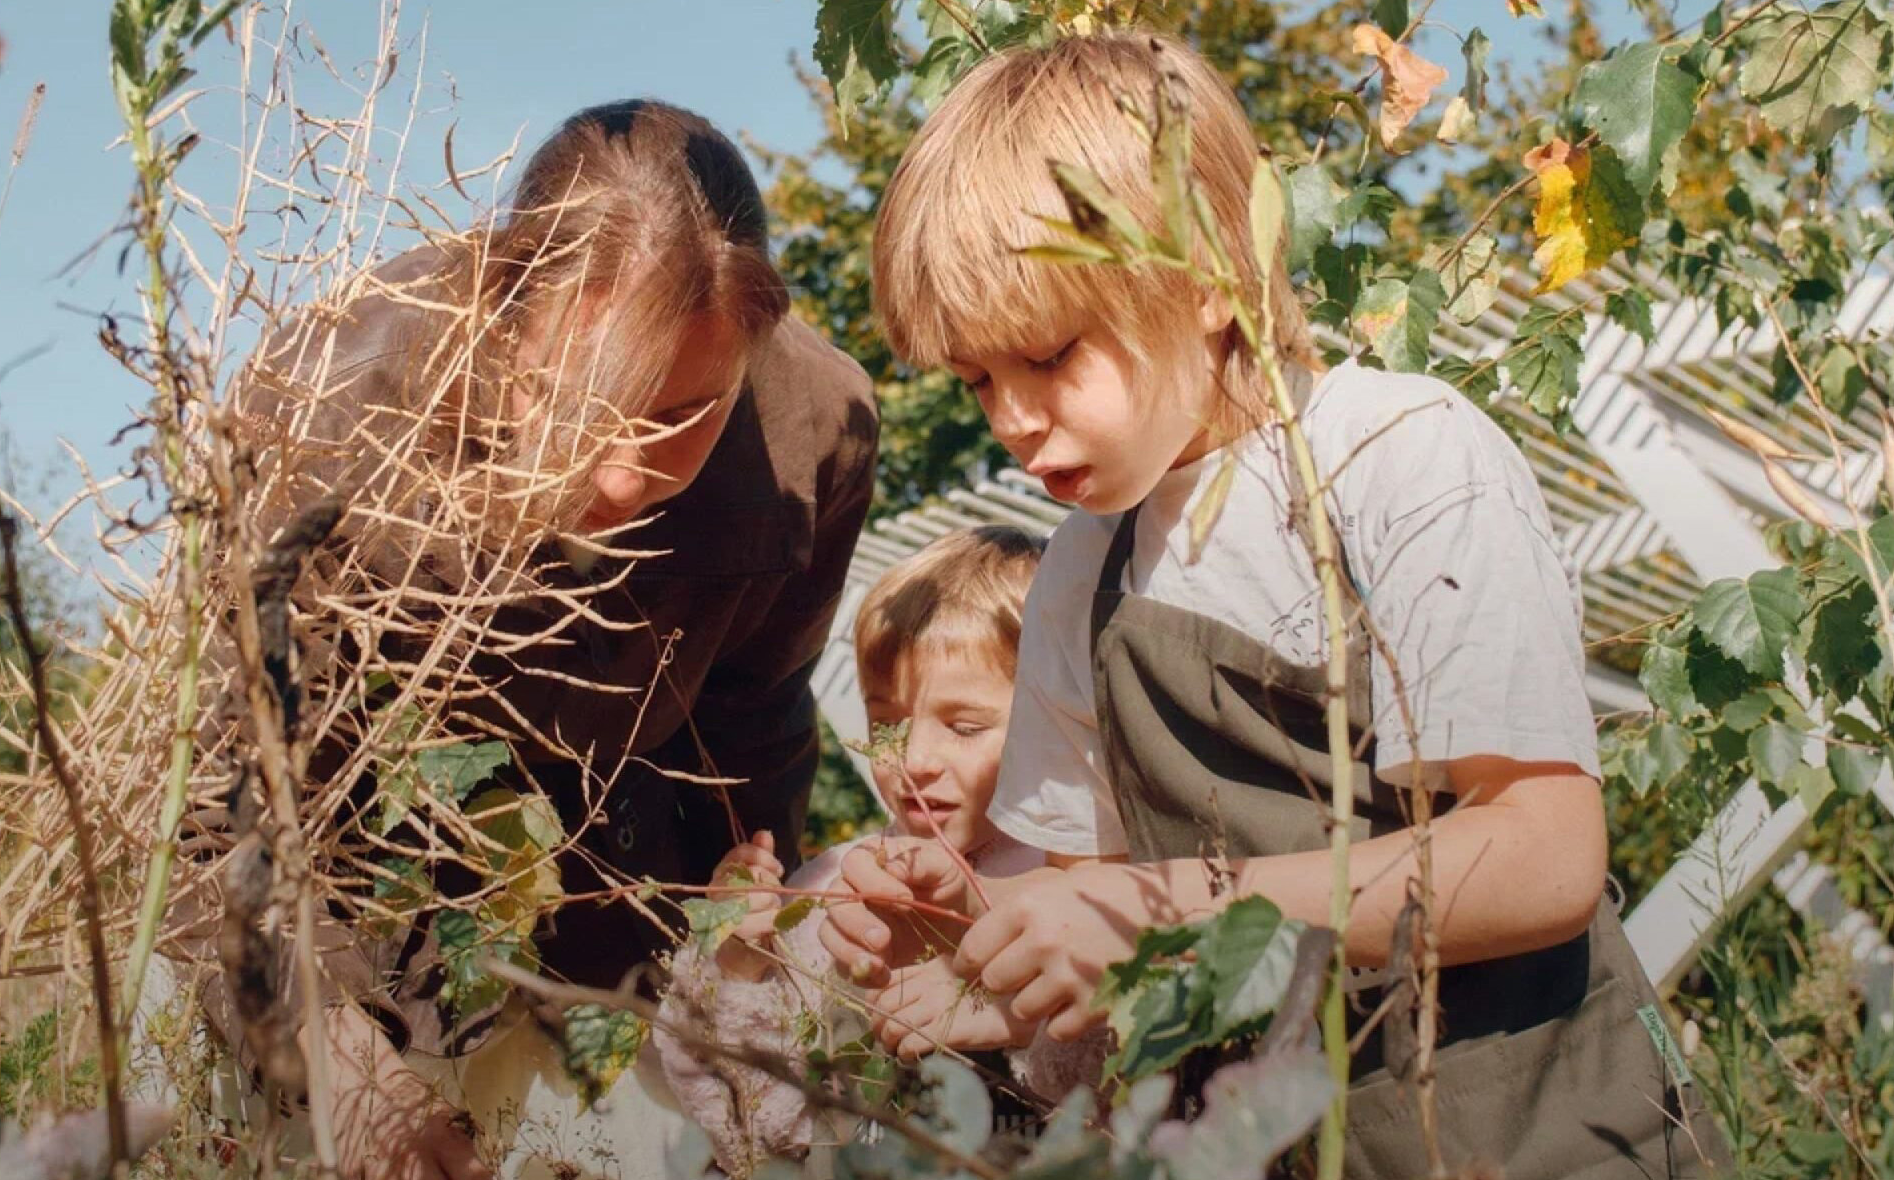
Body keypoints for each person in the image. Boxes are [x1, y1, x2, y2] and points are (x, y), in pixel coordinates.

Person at [819, 33, 1729, 1179]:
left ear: (1205, 275)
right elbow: (1094, 943)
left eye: (1047, 355)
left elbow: (1542, 857)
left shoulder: (1398, 455)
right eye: (974, 380)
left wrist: (1163, 905)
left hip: (1535, 1136)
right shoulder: (1076, 579)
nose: (1010, 416)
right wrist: (980, 951)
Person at [216, 99, 877, 1180]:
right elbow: (235, 811)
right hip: (359, 888)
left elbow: (751, 726)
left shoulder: (819, 432)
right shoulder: (326, 416)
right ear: (501, 314)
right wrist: (330, 1055)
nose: (623, 473)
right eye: (583, 403)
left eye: (682, 416)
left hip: (619, 887)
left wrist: (737, 994)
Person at [649, 526, 1104, 1176]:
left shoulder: (1093, 886)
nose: (913, 761)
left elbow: (1123, 1100)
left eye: (965, 726)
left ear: (1055, 716)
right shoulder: (831, 891)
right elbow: (758, 1134)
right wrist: (738, 963)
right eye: (886, 723)